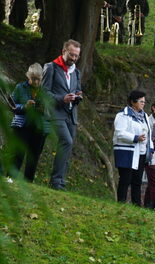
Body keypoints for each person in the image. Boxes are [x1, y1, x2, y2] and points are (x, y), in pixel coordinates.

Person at [42, 39, 82, 190]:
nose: (73, 58)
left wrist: (78, 96)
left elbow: (77, 89)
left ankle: (60, 181)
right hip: (55, 113)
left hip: (71, 114)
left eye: (76, 56)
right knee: (67, 141)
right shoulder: (51, 67)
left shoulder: (76, 72)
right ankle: (56, 180)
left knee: (68, 146)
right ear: (64, 51)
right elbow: (44, 93)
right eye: (71, 55)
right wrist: (62, 99)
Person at [9, 63, 50, 182]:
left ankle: (28, 183)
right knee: (17, 153)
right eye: (33, 79)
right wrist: (24, 107)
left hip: (39, 127)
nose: (36, 82)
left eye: (39, 79)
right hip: (22, 125)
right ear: (28, 76)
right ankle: (10, 178)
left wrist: (44, 109)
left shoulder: (46, 91)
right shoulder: (20, 87)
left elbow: (52, 110)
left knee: (34, 156)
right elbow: (11, 105)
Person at [113, 90, 152, 206]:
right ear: (133, 102)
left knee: (137, 181)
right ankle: (121, 203)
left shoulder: (144, 116)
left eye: (144, 102)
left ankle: (136, 205)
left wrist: (151, 148)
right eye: (141, 101)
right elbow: (119, 133)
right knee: (125, 179)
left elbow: (149, 133)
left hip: (141, 153)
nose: (143, 104)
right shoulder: (122, 115)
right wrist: (135, 138)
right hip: (127, 152)